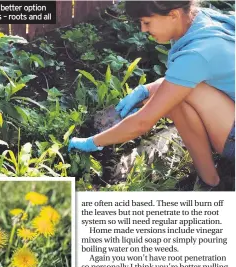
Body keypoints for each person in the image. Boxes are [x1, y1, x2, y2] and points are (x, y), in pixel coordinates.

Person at [68, 0, 235, 190]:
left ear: (173, 15)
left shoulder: (197, 54)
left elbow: (142, 123)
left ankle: (210, 182)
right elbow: (184, 76)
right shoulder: (202, 20)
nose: (142, 30)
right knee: (179, 93)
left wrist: (92, 142)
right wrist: (145, 90)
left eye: (147, 22)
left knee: (176, 101)